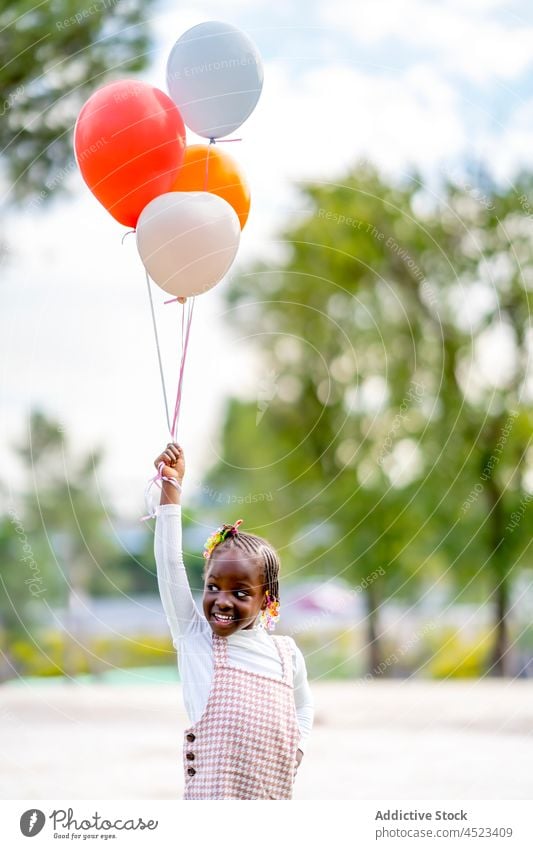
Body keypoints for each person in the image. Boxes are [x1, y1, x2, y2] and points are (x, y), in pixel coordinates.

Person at [153, 441, 314, 800]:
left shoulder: (286, 656)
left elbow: (303, 705)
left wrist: (299, 747)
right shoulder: (194, 638)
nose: (222, 601)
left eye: (241, 593)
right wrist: (171, 487)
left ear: (266, 601)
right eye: (213, 587)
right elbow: (169, 563)